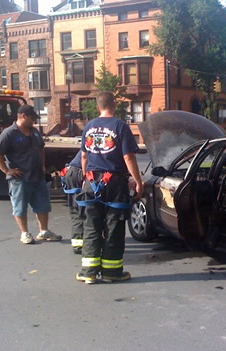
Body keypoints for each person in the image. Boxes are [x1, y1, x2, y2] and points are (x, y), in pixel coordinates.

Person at [76, 91, 142, 284]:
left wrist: (85, 178)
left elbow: (84, 156)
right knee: (114, 224)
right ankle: (111, 273)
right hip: (114, 182)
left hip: (92, 180)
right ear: (114, 105)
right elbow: (128, 157)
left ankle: (88, 272)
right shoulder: (120, 127)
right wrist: (138, 181)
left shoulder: (89, 127)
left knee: (91, 224)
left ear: (98, 107)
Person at [0, 104, 62, 244]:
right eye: (32, 118)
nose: (34, 122)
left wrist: (42, 165)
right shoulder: (9, 133)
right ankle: (25, 233)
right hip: (20, 178)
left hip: (37, 176)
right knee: (20, 206)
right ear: (23, 116)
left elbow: (41, 148)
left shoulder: (34, 132)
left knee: (43, 205)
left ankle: (44, 231)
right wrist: (7, 170)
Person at [60, 150, 85, 254]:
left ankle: (78, 244)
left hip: (73, 172)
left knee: (77, 210)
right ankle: (80, 244)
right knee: (84, 210)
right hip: (79, 172)